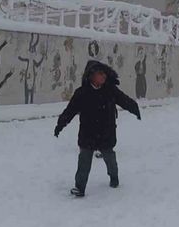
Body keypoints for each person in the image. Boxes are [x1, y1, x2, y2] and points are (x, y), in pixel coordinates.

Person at [54, 60, 141, 197]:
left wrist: (135, 109)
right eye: (100, 73)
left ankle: (114, 178)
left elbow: (124, 100)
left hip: (106, 133)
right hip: (88, 133)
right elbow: (70, 111)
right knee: (84, 161)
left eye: (104, 73)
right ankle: (80, 187)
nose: (104, 76)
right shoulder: (82, 93)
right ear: (91, 75)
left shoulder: (110, 90)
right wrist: (60, 125)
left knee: (110, 159)